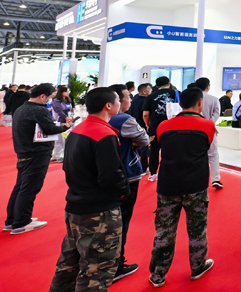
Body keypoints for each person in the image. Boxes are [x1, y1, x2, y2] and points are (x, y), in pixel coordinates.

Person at [49, 87, 129, 292]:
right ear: (108, 105)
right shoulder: (104, 134)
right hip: (99, 211)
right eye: (118, 100)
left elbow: (68, 167)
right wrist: (123, 192)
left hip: (76, 205)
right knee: (97, 271)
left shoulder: (78, 130)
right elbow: (111, 176)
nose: (122, 102)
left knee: (68, 266)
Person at [148, 87, 216, 287]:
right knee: (197, 230)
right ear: (200, 103)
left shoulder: (163, 126)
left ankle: (158, 274)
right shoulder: (208, 126)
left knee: (164, 232)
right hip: (195, 185)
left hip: (168, 185)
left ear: (180, 104)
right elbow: (207, 147)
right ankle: (198, 266)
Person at [4, 83, 72, 234]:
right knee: (29, 188)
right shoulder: (38, 110)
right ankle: (21, 222)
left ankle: (12, 220)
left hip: (24, 152)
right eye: (50, 97)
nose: (50, 100)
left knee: (21, 187)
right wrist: (66, 126)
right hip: (37, 153)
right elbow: (50, 129)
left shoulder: (22, 108)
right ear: (43, 96)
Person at [107, 84, 149, 282]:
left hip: (105, 176)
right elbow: (144, 139)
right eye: (126, 97)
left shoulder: (98, 120)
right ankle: (116, 265)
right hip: (127, 174)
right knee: (122, 220)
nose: (130, 101)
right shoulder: (124, 119)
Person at [143, 76, 178, 182]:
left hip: (156, 126)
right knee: (172, 149)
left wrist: (148, 125)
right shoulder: (176, 93)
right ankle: (171, 172)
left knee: (154, 150)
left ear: (157, 86)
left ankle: (153, 173)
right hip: (173, 126)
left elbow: (145, 114)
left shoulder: (150, 96)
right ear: (168, 83)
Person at [195, 77, 223, 190]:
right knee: (213, 155)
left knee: (196, 154)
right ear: (208, 86)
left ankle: (198, 178)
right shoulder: (214, 99)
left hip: (195, 129)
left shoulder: (193, 98)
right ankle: (215, 179)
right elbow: (217, 113)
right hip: (210, 129)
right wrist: (210, 123)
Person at [51, 85, 72, 163]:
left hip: (67, 121)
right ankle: (58, 155)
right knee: (59, 139)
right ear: (61, 92)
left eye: (68, 91)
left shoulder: (67, 100)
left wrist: (71, 116)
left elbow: (70, 110)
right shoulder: (56, 101)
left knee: (63, 139)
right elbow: (59, 111)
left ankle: (57, 154)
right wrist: (66, 117)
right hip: (59, 122)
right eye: (66, 91)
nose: (68, 93)